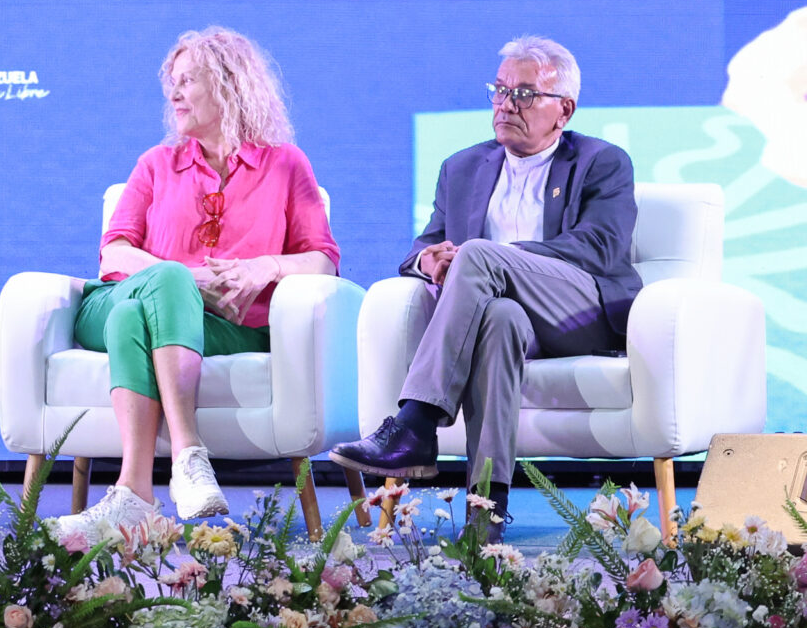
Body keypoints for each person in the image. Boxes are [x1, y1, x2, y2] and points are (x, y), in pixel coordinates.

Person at [333, 35, 636, 532]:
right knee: (499, 318)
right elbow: (422, 246)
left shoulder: (601, 162)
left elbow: (599, 247)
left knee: (477, 254)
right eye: (499, 90)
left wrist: (498, 258)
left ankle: (416, 423)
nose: (506, 104)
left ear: (564, 110)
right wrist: (429, 261)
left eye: (524, 94)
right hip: (511, 317)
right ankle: (485, 512)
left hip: (577, 313)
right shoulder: (462, 168)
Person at [53, 28, 338, 540]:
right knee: (162, 282)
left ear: (229, 84)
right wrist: (181, 280)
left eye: (187, 81)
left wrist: (267, 267)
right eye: (172, 82)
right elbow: (113, 252)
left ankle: (134, 495)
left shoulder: (285, 165)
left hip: (220, 327)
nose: (174, 93)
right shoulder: (156, 164)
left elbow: (323, 260)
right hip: (116, 297)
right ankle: (188, 453)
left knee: (132, 318)